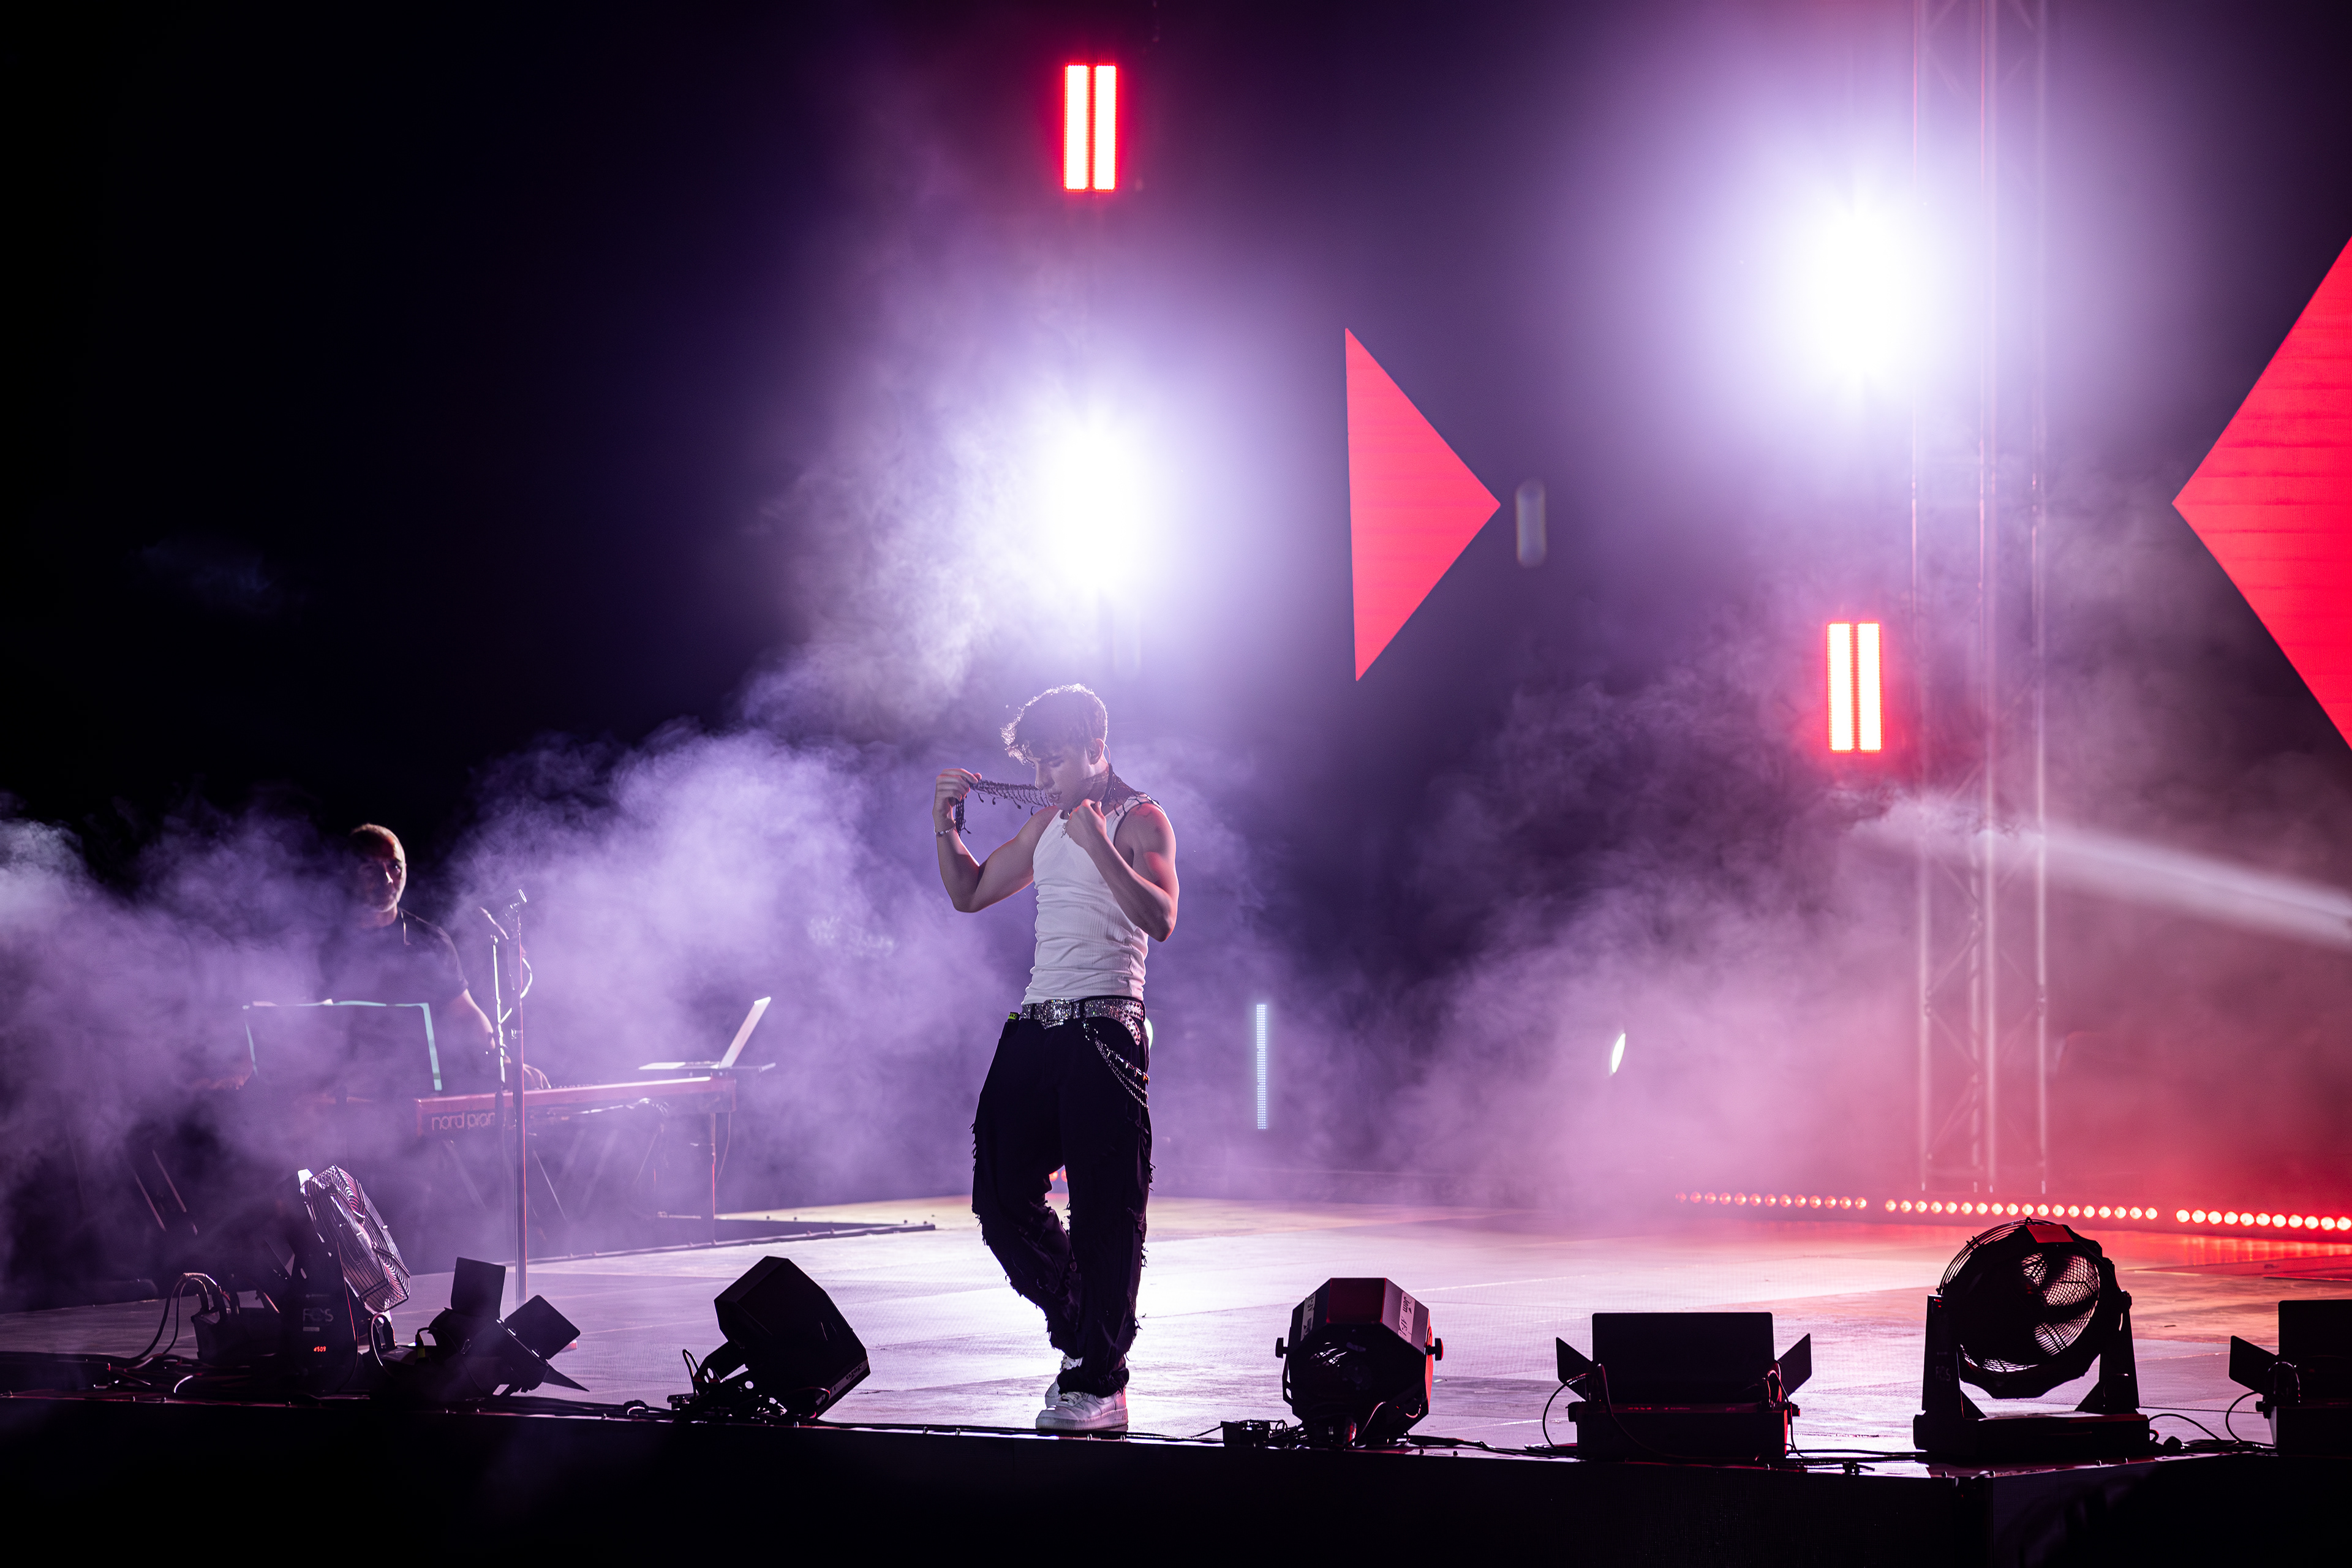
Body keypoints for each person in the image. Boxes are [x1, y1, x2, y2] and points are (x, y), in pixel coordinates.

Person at [933, 685, 1178, 1433]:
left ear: (1097, 748)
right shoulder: (1046, 821)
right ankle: (1086, 1333)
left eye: (1058, 760)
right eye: (1037, 763)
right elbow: (970, 892)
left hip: (1105, 1030)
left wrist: (1099, 844)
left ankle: (1100, 1380)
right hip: (1036, 1028)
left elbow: (1162, 916)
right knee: (1000, 1197)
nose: (1045, 778)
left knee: (1106, 1212)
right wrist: (946, 822)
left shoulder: (1141, 818)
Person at [317, 824, 545, 1091]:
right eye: (370, 868)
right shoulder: (321, 943)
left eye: (394, 867)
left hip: (416, 1093)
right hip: (337, 1095)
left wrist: (501, 1061)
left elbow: (465, 1014)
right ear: (346, 874)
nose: (387, 879)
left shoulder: (429, 940)